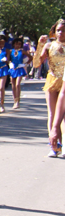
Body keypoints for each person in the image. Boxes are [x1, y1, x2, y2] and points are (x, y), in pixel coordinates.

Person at [36, 20, 65, 156]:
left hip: (64, 81)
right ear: (54, 32)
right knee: (52, 114)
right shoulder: (49, 45)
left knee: (63, 116)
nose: (61, 33)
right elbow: (37, 64)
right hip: (52, 81)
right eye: (58, 30)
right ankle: (54, 145)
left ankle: (64, 143)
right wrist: (40, 45)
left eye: (63, 30)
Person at [8, 37, 28, 109]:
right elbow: (8, 59)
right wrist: (9, 63)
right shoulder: (10, 51)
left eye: (19, 44)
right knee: (13, 85)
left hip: (19, 68)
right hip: (13, 69)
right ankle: (14, 100)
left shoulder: (22, 51)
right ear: (13, 44)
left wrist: (26, 63)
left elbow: (30, 57)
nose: (18, 45)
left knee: (17, 84)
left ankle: (18, 101)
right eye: (16, 44)